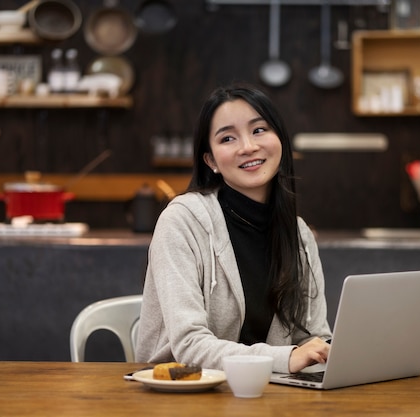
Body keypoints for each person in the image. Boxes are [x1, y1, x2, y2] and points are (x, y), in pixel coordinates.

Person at [135, 83, 332, 374]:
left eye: (259, 130)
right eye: (228, 138)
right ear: (211, 160)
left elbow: (312, 336)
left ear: (280, 139)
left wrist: (334, 353)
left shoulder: (298, 234)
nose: (248, 147)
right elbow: (189, 344)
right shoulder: (181, 222)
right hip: (184, 392)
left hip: (266, 392)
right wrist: (285, 358)